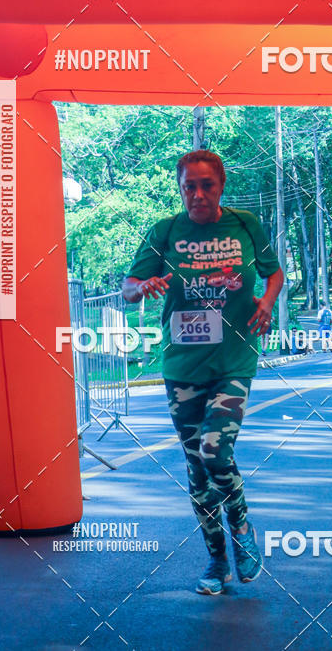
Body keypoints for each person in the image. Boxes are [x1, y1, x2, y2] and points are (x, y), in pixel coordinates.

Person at [122, 150, 284, 596]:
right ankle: (217, 560)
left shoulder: (246, 225)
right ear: (180, 189)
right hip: (182, 365)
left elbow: (274, 274)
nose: (197, 194)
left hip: (233, 360)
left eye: (206, 185)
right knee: (196, 468)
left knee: (214, 450)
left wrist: (267, 304)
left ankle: (242, 527)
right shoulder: (165, 231)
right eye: (188, 187)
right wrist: (143, 286)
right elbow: (128, 288)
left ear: (221, 185)